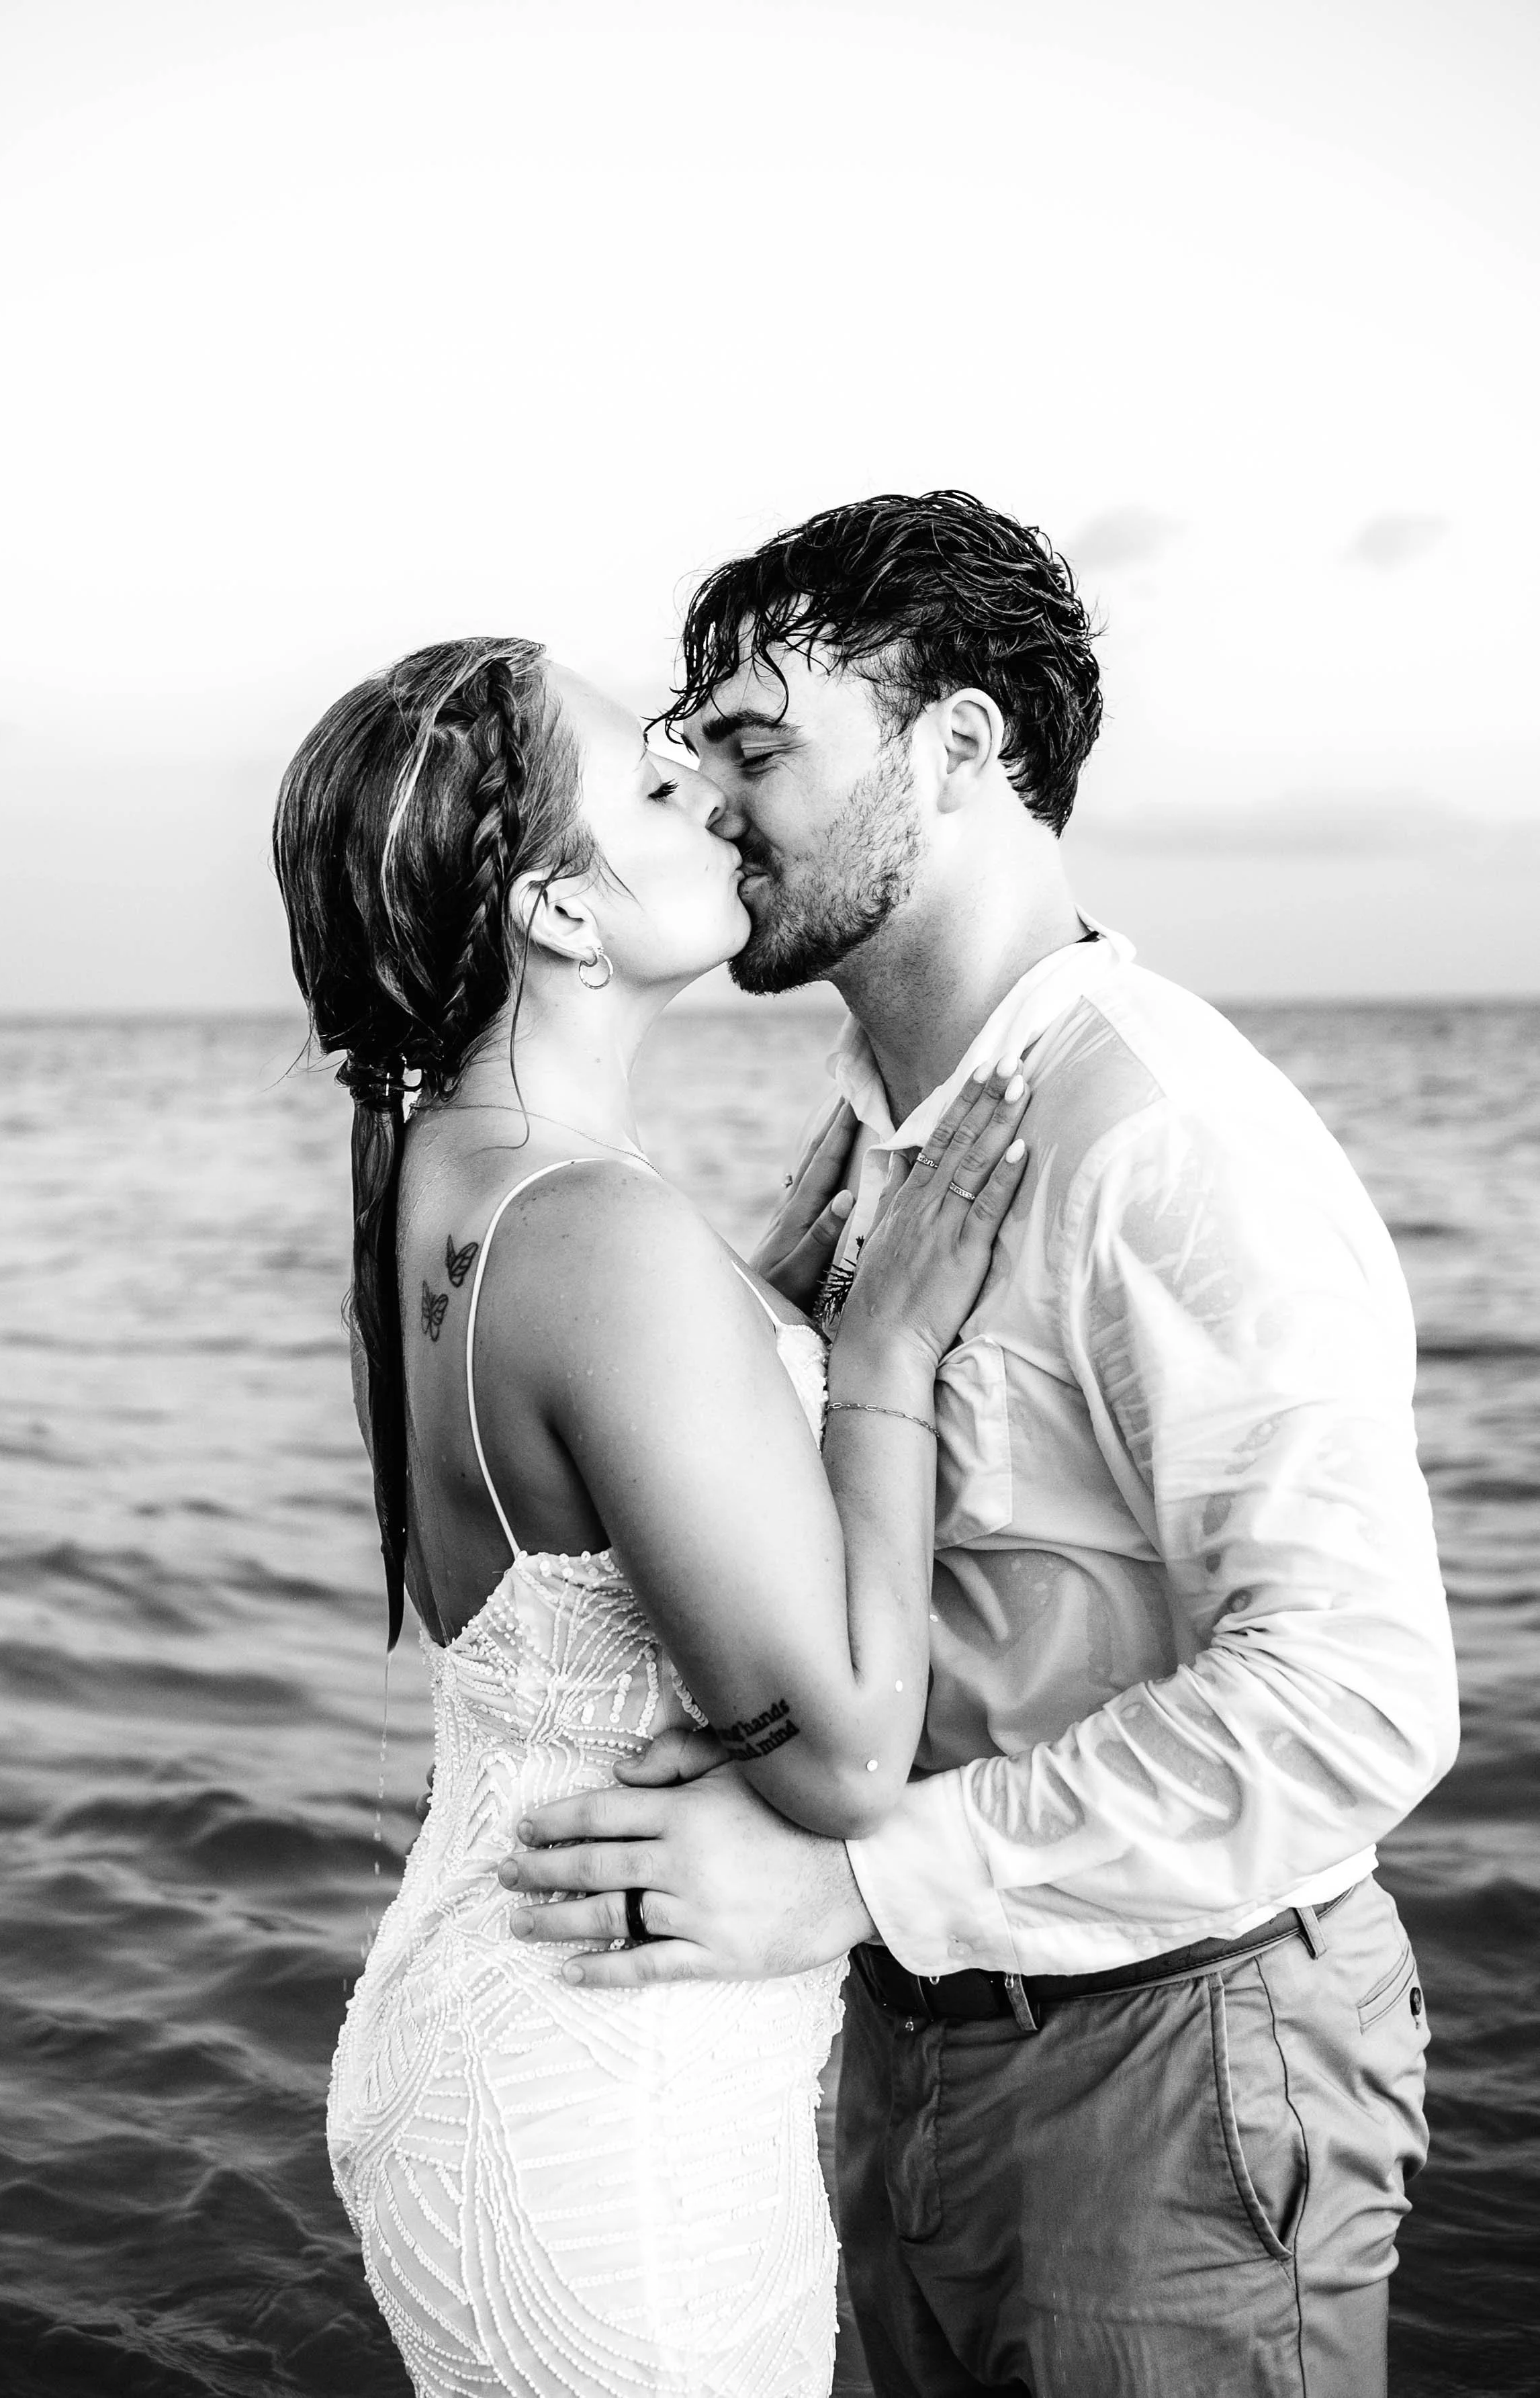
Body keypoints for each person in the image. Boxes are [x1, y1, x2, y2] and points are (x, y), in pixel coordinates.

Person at [500, 492, 1462, 2398]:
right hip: (904, 2044)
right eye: (688, 750)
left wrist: (853, 1880)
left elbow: (1355, 1700)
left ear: (957, 750)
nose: (708, 796)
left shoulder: (1163, 1136)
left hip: (1178, 2066)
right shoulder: (874, 1133)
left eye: (759, 745)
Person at [271, 633, 1032, 2398]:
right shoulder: (599, 1237)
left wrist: (764, 1285)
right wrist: (888, 1354)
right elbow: (840, 1767)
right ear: (555, 912)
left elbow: (590, 1471)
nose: (706, 789)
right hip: (608, 2121)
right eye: (652, 784)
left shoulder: (442, 1194)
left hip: (496, 2032)